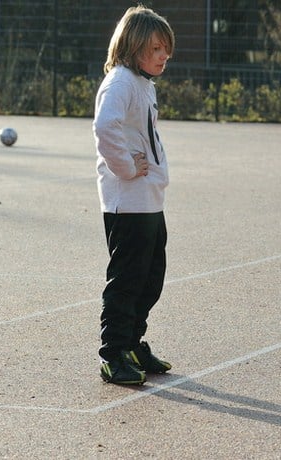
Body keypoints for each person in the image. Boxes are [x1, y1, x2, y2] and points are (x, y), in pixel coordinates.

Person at [92, 5, 175, 385]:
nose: (163, 57)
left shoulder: (143, 83)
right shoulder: (121, 82)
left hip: (149, 198)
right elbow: (105, 127)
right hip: (128, 201)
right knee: (127, 278)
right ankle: (113, 354)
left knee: (151, 276)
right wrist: (126, 167)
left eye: (166, 51)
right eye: (156, 49)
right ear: (133, 46)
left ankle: (132, 342)